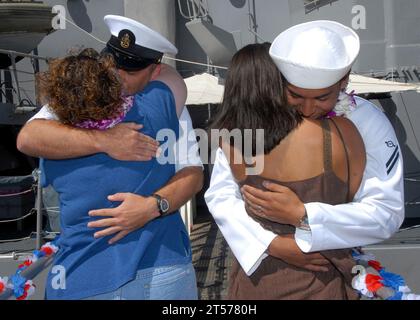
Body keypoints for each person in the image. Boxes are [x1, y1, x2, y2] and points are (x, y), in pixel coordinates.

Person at [17, 15, 203, 300]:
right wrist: (106, 141)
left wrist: (151, 207)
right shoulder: (161, 106)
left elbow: (29, 138)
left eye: (129, 69)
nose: (117, 75)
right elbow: (173, 79)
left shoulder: (55, 133)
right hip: (164, 268)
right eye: (112, 65)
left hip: (82, 274)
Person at [205, 20, 404, 285]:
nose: (309, 109)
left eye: (322, 98)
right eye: (296, 96)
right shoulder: (259, 118)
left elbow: (386, 213)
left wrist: (304, 215)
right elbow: (221, 194)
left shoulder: (368, 122)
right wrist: (270, 243)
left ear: (344, 81)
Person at [210, 42, 365, 299]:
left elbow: (221, 200)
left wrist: (272, 244)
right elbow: (355, 200)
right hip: (325, 273)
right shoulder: (341, 131)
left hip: (258, 281)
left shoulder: (230, 142)